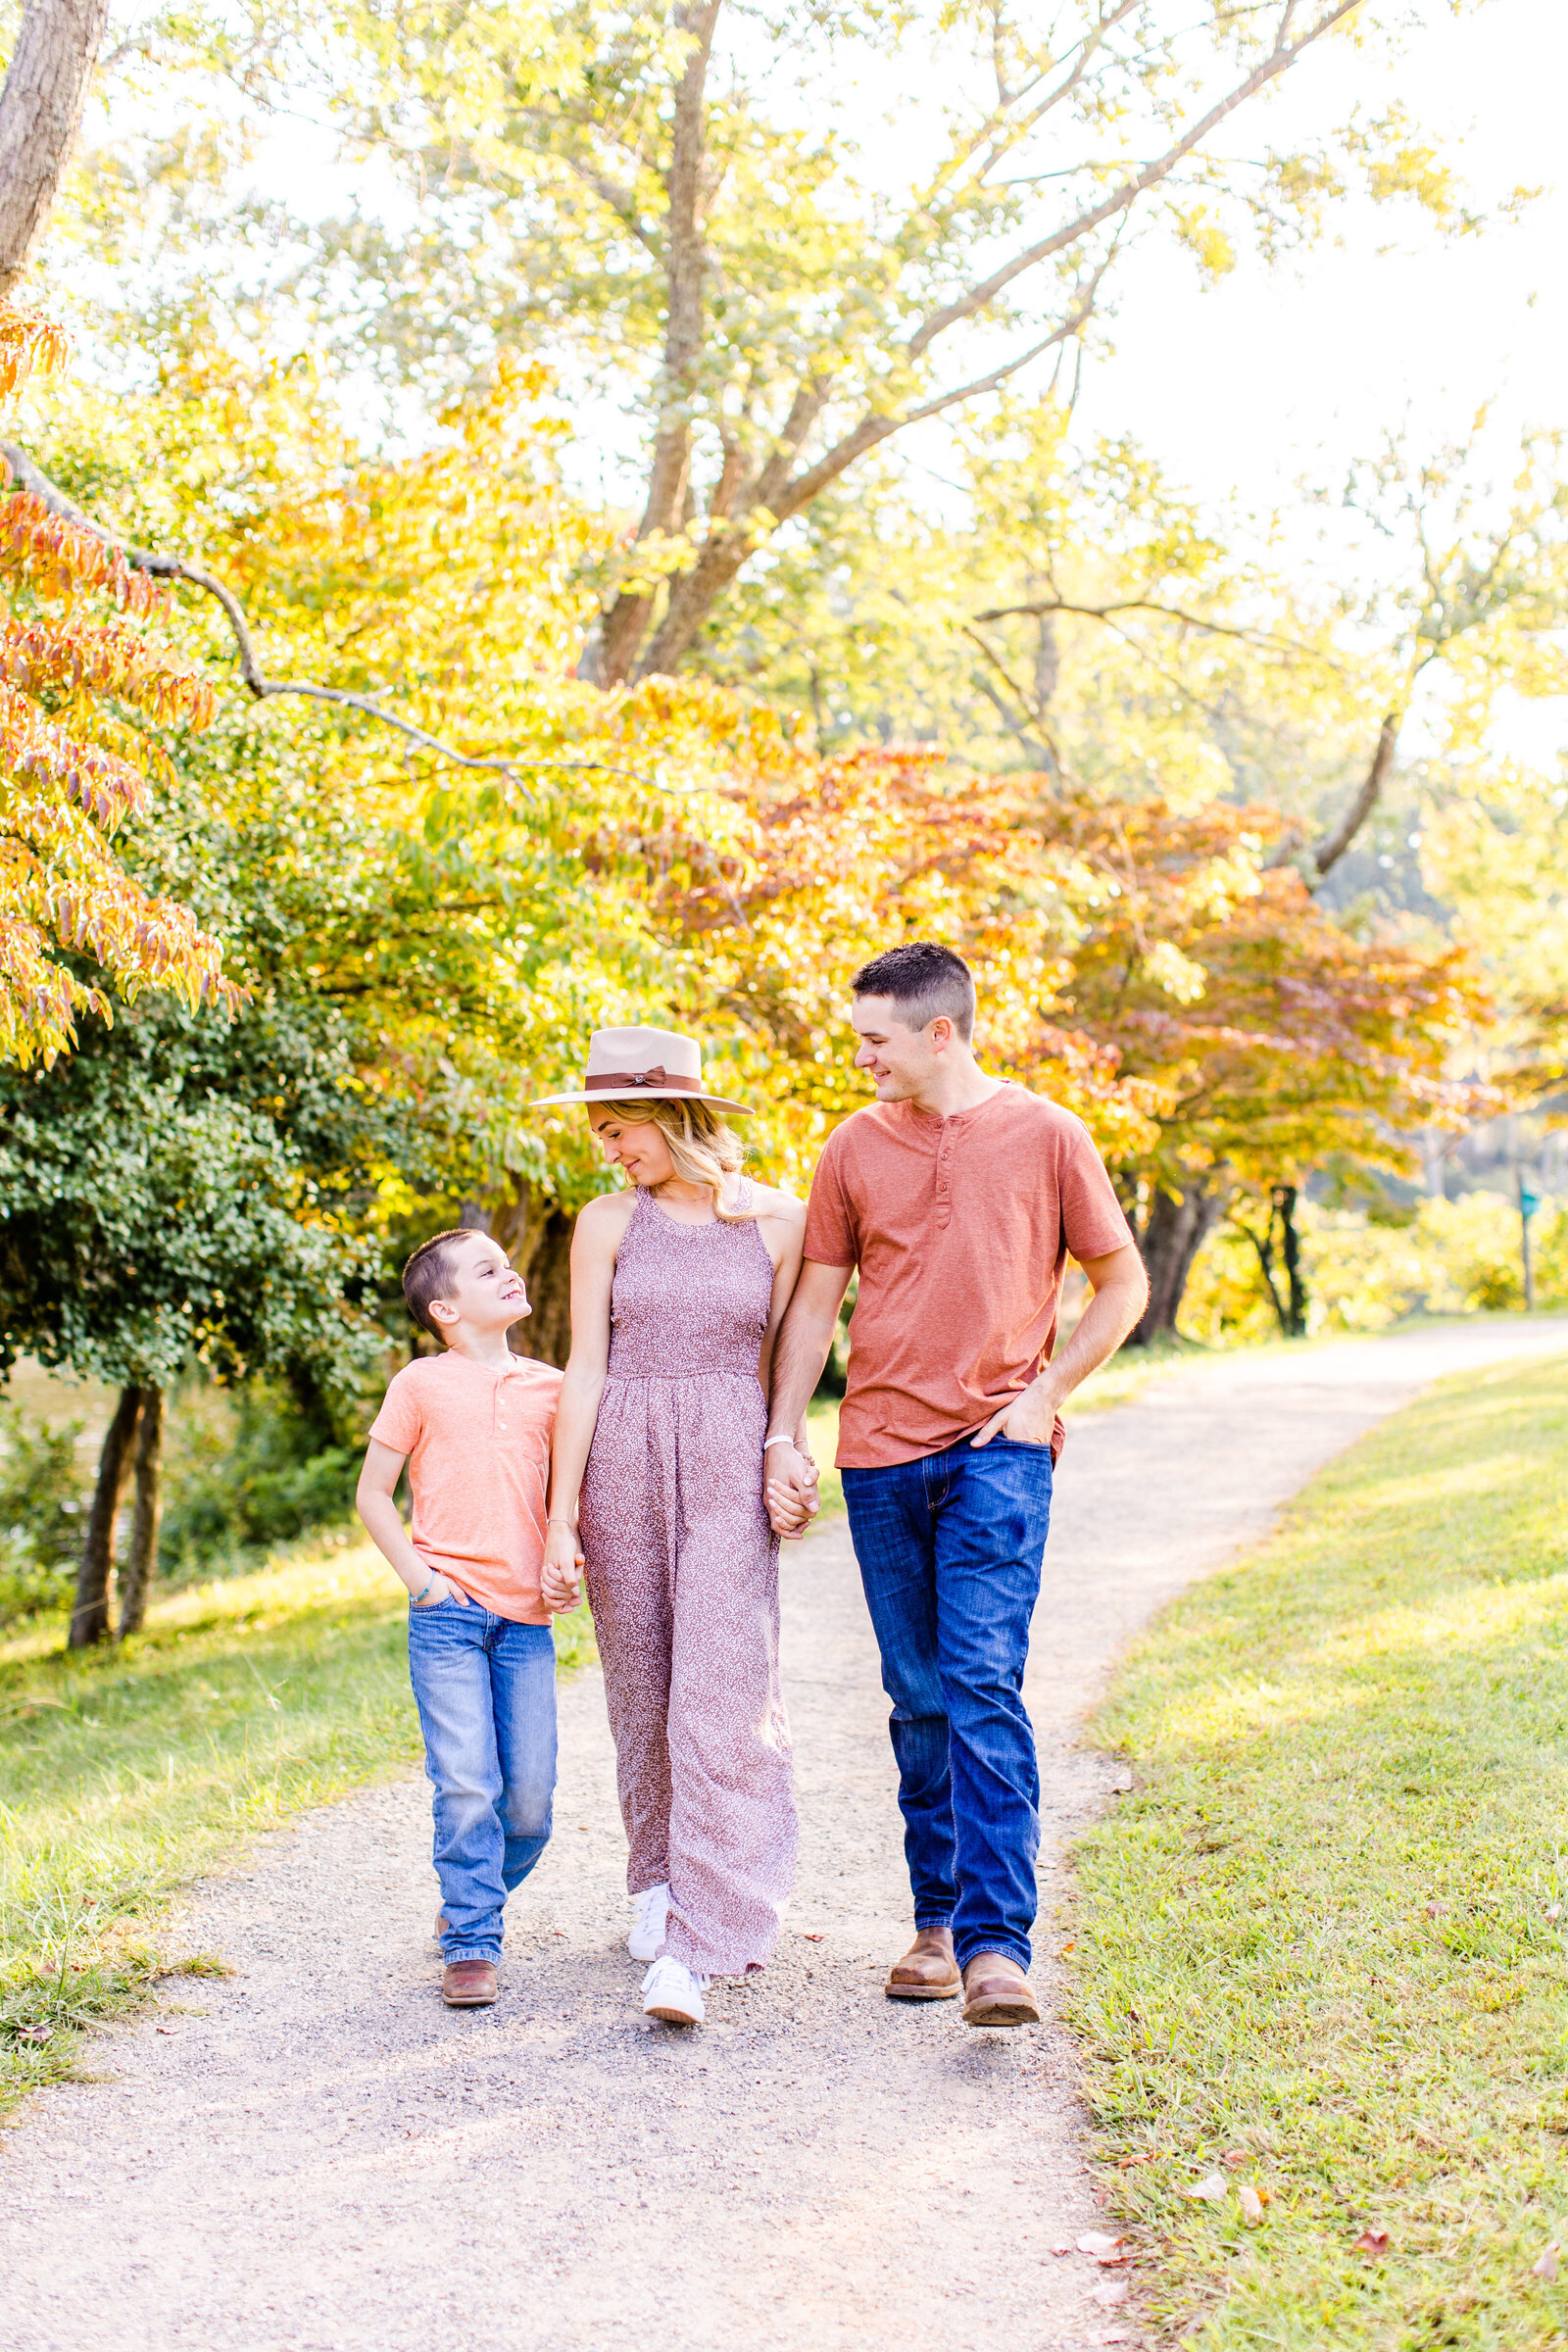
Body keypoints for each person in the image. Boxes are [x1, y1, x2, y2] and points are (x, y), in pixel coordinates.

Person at [761, 942, 1149, 2028]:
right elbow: (814, 1305)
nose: (861, 1058)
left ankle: (993, 1947)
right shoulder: (851, 1146)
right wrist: (780, 1434)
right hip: (878, 1454)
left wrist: (1046, 1394)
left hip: (998, 1452)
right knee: (920, 1696)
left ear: (942, 1032)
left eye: (874, 1040)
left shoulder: (1047, 1134)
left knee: (980, 1682)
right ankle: (933, 1922)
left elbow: (1120, 1283)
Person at [534, 1025, 808, 2028]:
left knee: (723, 1688)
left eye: (621, 1129)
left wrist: (788, 1446)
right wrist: (560, 1519)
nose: (611, 1148)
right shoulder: (607, 1221)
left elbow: (791, 1364)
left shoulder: (781, 1221)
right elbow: (586, 1369)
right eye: (602, 1133)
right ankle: (654, 1880)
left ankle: (707, 1927)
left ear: (672, 1114)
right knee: (641, 1685)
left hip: (727, 1456)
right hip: (621, 1455)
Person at [357, 1228, 565, 2009]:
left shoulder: (554, 1387)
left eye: (507, 1264)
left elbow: (570, 1499)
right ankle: (473, 1939)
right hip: (447, 1617)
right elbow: (372, 1493)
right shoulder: (419, 1384)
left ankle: (469, 1895)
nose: (509, 1273)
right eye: (489, 1269)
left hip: (527, 1623)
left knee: (530, 1803)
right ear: (446, 1308)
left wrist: (564, 1560)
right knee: (467, 1785)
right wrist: (423, 1583)